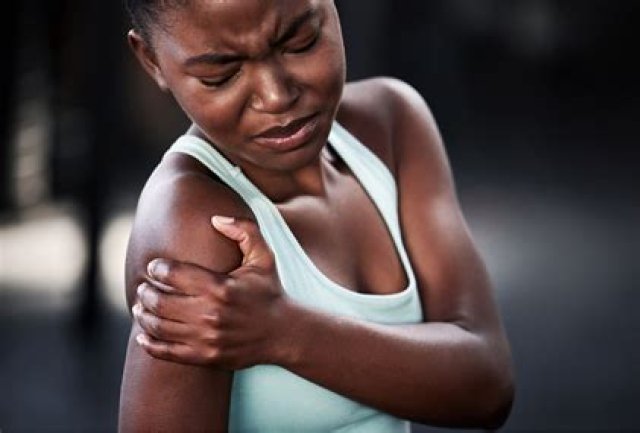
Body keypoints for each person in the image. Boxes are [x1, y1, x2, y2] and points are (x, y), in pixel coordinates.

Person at [119, 0, 514, 431]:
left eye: (300, 42)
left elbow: (487, 383)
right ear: (152, 61)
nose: (276, 96)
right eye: (221, 75)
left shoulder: (390, 126)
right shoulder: (192, 226)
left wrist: (283, 332)